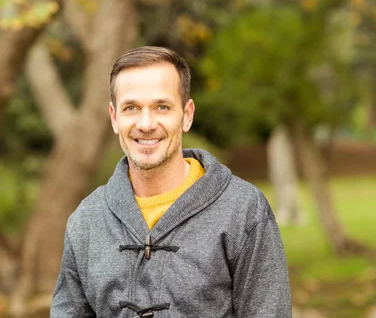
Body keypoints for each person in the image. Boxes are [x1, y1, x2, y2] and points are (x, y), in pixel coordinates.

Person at [50, 46, 292, 317]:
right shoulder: (87, 219)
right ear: (114, 118)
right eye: (131, 108)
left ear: (186, 115)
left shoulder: (243, 211)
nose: (145, 123)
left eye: (161, 107)